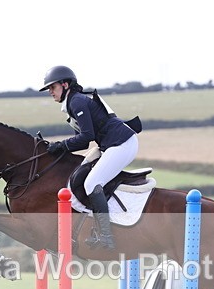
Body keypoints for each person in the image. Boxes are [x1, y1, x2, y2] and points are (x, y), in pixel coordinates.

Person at [40, 65, 140, 250]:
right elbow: (84, 142)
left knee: (91, 184)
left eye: (52, 87)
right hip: (112, 144)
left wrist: (61, 145)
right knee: (81, 174)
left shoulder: (76, 102)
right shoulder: (73, 102)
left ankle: (106, 237)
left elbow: (86, 137)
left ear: (65, 84)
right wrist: (56, 147)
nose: (50, 92)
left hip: (122, 143)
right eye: (49, 89)